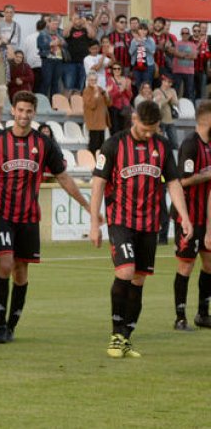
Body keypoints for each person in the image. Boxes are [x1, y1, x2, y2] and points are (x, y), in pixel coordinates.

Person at [0, 91, 89, 343]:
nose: (24, 115)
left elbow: (63, 177)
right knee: (5, 265)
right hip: (2, 214)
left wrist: (88, 206)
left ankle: (11, 326)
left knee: (21, 272)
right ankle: (0, 324)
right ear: (13, 111)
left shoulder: (44, 144)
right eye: (20, 110)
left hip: (28, 217)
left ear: (34, 113)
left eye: (29, 111)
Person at [89, 100, 194, 358]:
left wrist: (184, 216)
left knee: (138, 279)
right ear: (134, 119)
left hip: (149, 223)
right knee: (124, 272)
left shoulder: (162, 145)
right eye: (145, 128)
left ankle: (126, 337)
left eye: (153, 129)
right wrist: (94, 222)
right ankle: (115, 334)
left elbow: (173, 183)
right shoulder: (113, 144)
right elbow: (98, 184)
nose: (149, 134)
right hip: (121, 221)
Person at [173, 101, 211, 330]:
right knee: (186, 266)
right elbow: (182, 181)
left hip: (206, 218)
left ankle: (203, 313)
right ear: (205, 119)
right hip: (188, 216)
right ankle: (180, 316)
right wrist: (206, 175)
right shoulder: (190, 145)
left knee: (209, 263)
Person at [82, 73, 110, 152]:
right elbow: (91, 105)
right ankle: (92, 160)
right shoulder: (86, 91)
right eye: (91, 80)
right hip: (93, 122)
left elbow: (108, 103)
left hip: (101, 122)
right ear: (88, 80)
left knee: (101, 145)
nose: (93, 82)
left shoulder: (100, 89)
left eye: (95, 80)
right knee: (94, 144)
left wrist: (107, 94)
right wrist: (95, 95)